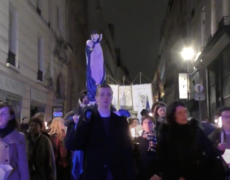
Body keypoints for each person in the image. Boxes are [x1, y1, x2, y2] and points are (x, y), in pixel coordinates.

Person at [65, 84, 135, 180]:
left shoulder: (120, 121)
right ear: (96, 98)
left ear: (111, 97)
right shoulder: (89, 120)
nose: (105, 97)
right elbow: (76, 143)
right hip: (94, 172)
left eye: (108, 94)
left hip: (116, 172)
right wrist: (79, 123)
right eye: (102, 95)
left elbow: (127, 149)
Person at [157, 101, 225, 180]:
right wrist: (176, 176)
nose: (184, 115)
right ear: (172, 116)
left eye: (185, 112)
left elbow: (208, 148)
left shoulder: (194, 130)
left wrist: (218, 149)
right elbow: (164, 159)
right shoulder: (167, 133)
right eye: (180, 113)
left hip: (198, 173)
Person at [0, 102, 29, 180]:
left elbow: (22, 163)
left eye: (4, 114)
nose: (0, 116)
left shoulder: (19, 137)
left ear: (11, 117)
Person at [135, 115, 159, 180]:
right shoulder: (140, 140)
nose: (147, 125)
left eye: (150, 122)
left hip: (157, 172)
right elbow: (141, 159)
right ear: (142, 125)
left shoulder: (158, 138)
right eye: (145, 122)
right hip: (145, 174)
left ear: (154, 124)